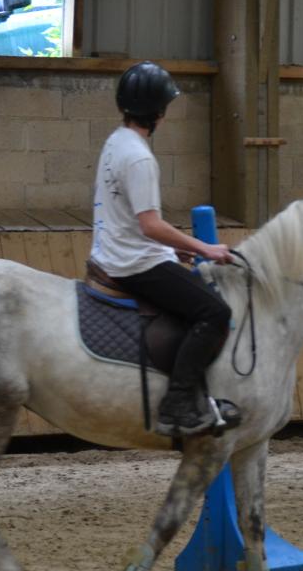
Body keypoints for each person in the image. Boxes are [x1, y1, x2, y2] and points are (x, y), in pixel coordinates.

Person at [90, 61, 237, 437]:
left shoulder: (115, 141)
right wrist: (205, 247)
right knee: (214, 311)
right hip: (135, 262)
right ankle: (178, 403)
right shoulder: (140, 157)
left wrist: (178, 252)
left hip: (114, 250)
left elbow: (130, 218)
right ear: (159, 113)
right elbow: (150, 224)